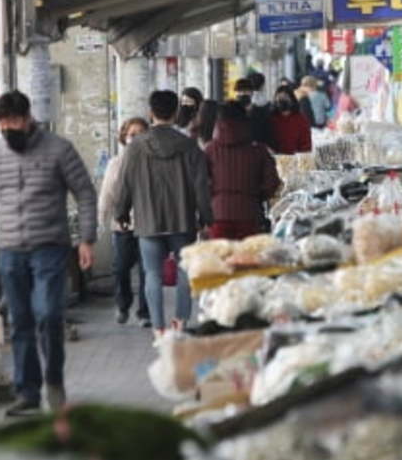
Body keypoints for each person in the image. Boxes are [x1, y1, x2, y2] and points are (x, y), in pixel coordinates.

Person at [0, 90, 98, 416]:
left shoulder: (59, 149)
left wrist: (86, 239)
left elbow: (84, 193)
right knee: (20, 322)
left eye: (11, 122)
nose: (6, 129)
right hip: (10, 250)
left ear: (26, 119)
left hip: (50, 248)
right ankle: (28, 391)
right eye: (1, 124)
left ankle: (54, 381)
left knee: (49, 315)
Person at [114, 90, 213, 333]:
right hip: (183, 220)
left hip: (148, 221)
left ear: (151, 113)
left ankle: (158, 326)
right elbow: (202, 186)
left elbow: (124, 183)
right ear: (176, 113)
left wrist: (122, 213)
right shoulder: (190, 146)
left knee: (152, 275)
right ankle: (180, 321)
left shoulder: (135, 147)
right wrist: (206, 218)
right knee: (184, 273)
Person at [98, 117, 151, 327]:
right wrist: (101, 219)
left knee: (147, 270)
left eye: (141, 133)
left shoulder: (153, 162)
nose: (136, 138)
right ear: (124, 137)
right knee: (121, 267)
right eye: (132, 134)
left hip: (148, 224)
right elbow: (107, 194)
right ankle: (123, 304)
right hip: (123, 226)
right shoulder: (115, 163)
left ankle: (144, 312)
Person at [205, 102, 282, 240]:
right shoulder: (259, 150)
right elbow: (272, 182)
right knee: (247, 258)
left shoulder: (209, 150)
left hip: (217, 215)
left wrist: (215, 197)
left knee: (220, 259)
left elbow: (201, 182)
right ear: (246, 121)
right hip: (250, 214)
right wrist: (255, 196)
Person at [270, 86, 312, 155]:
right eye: (279, 98)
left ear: (292, 100)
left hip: (295, 159)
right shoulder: (271, 119)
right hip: (275, 159)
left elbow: (306, 145)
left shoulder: (300, 120)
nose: (281, 101)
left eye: (285, 98)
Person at [235, 78, 275, 148]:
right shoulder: (232, 113)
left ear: (252, 93)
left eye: (246, 91)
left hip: (256, 149)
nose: (243, 94)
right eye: (240, 91)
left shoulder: (261, 113)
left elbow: (267, 135)